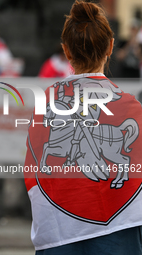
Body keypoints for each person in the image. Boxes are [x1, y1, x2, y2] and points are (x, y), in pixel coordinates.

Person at [25, 1, 142, 254]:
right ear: (111, 46)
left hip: (58, 233)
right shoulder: (133, 108)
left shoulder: (46, 102)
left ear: (66, 51)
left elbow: (34, 172)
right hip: (120, 234)